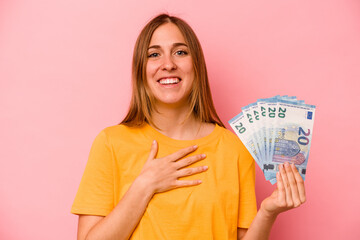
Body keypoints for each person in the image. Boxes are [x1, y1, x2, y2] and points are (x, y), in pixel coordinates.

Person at [71, 13, 306, 240]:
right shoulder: (111, 143)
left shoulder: (235, 150)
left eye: (180, 52)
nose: (168, 64)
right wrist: (144, 185)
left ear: (197, 65)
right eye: (154, 55)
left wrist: (267, 213)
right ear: (141, 69)